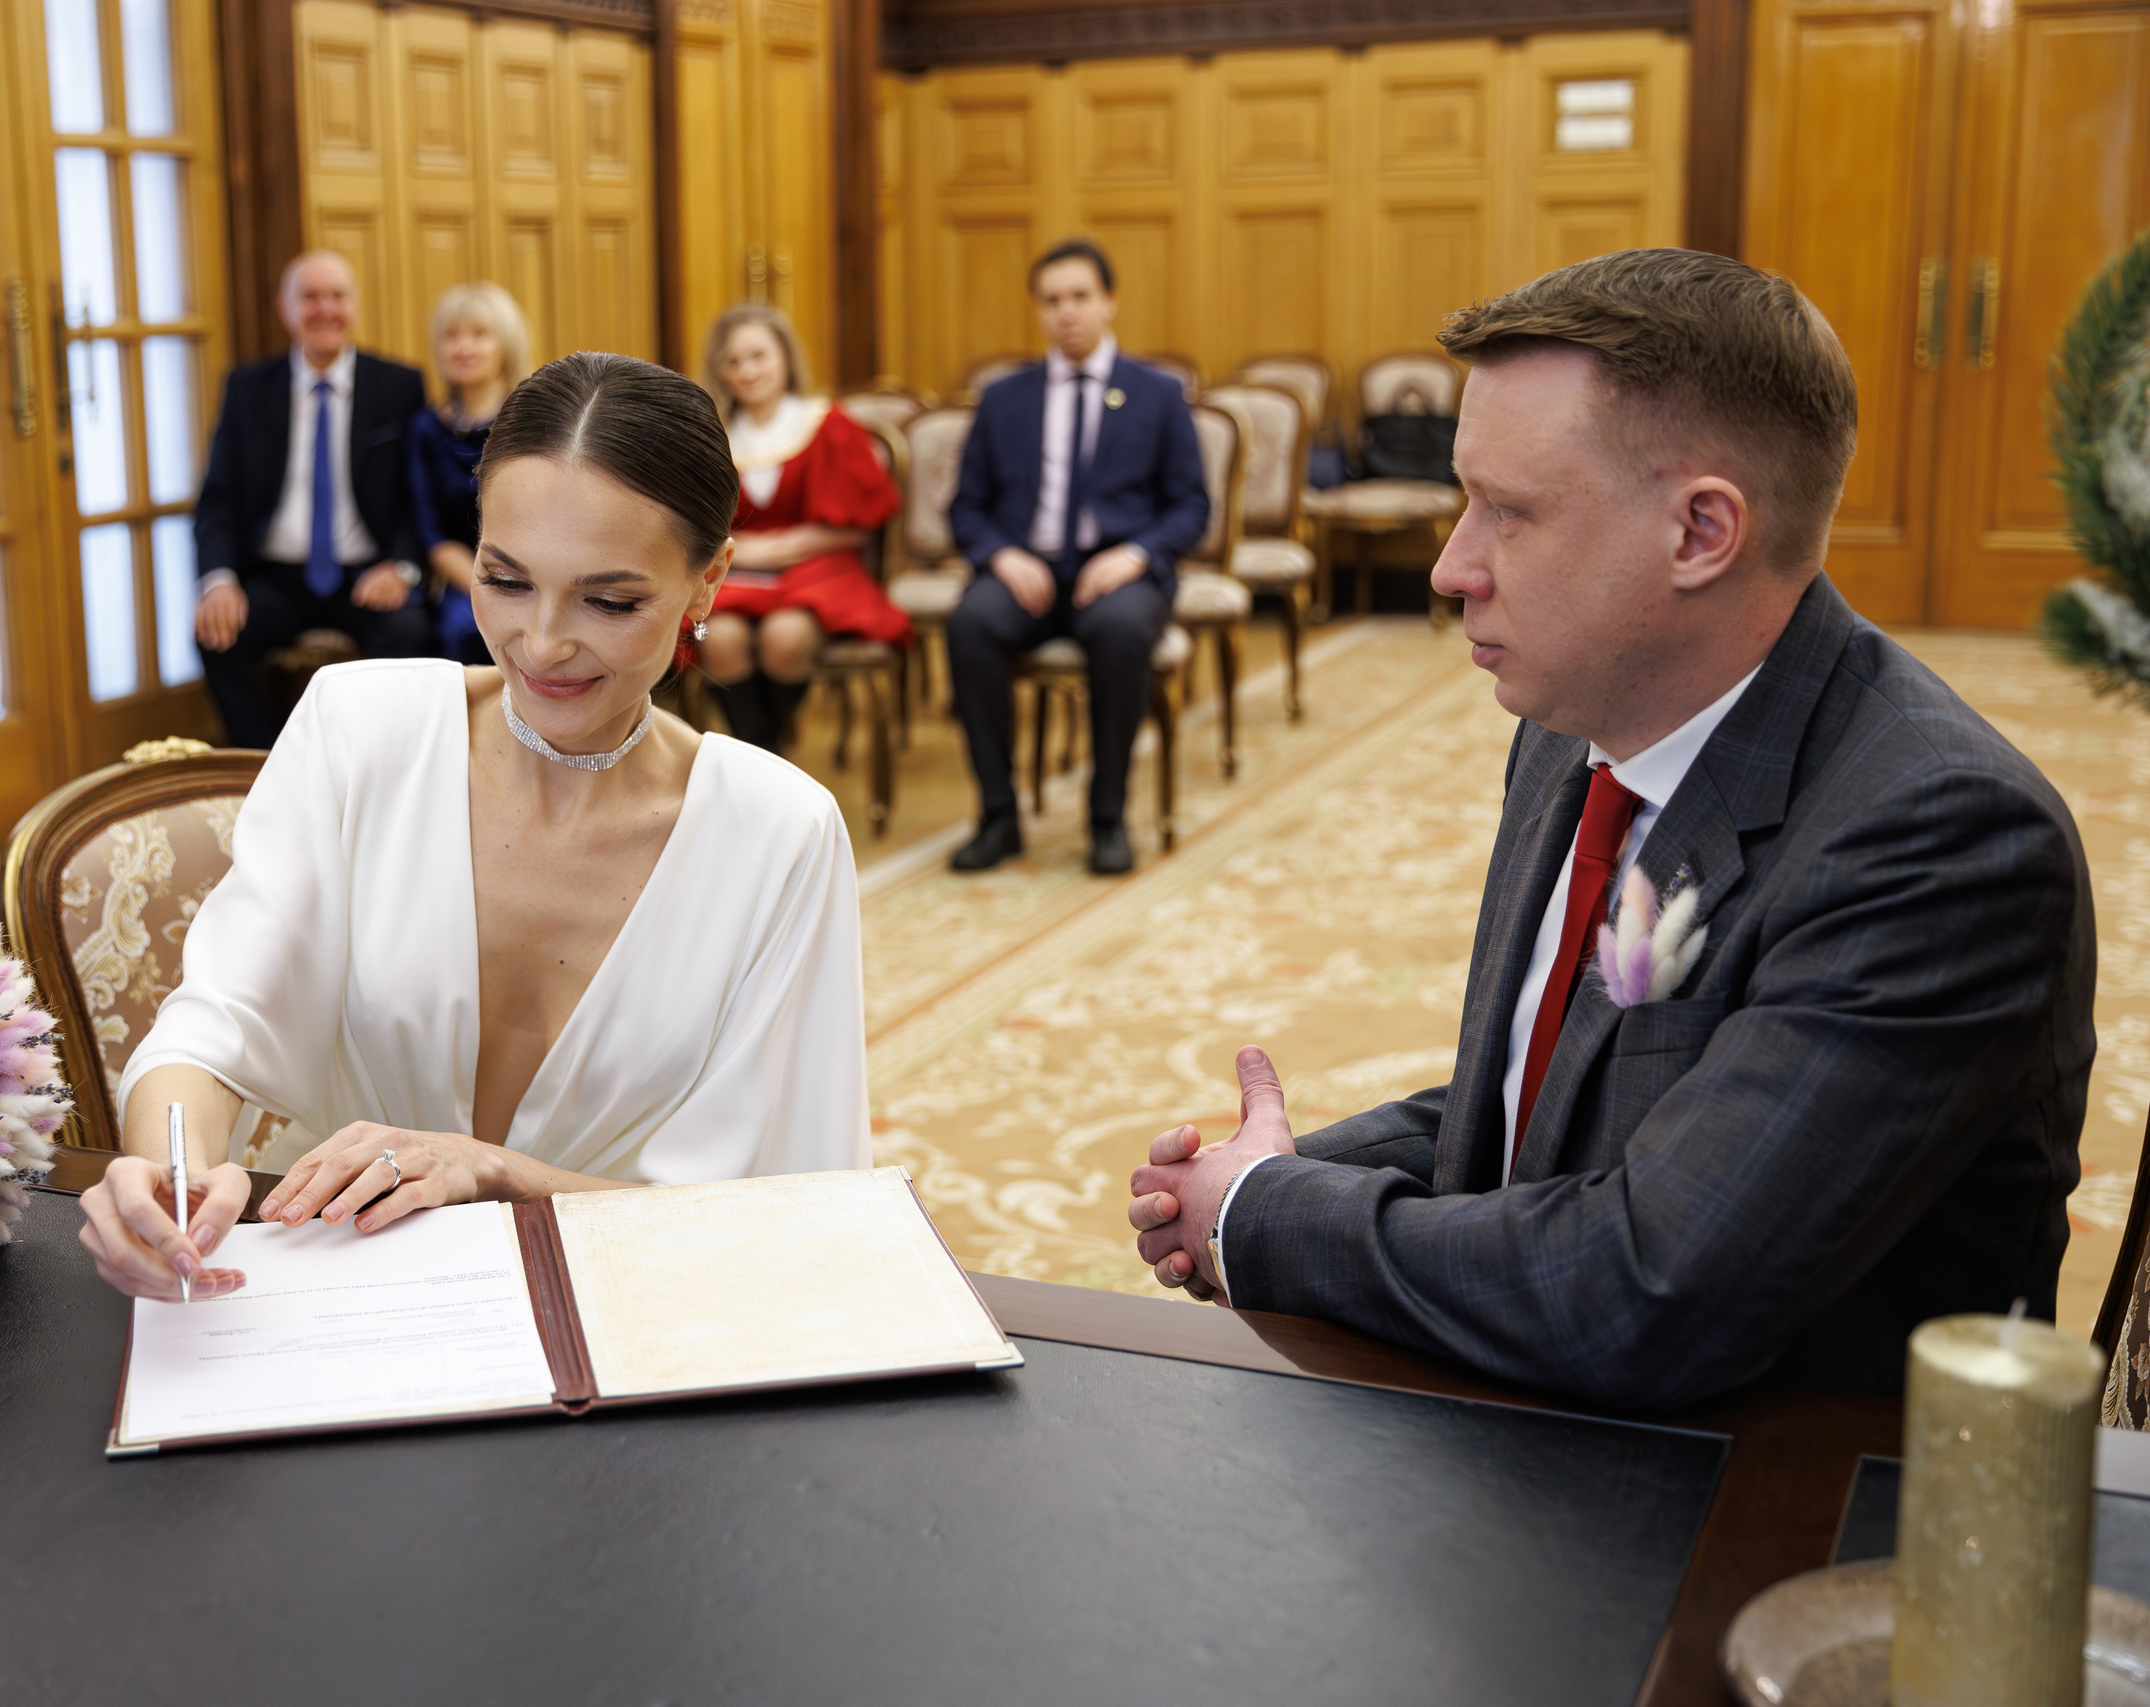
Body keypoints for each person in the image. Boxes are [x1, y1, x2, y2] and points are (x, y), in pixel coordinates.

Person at [1126, 250, 2095, 1409]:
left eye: (1509, 514)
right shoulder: (1573, 728)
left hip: (1777, 1510)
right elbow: (1561, 1100)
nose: (1450, 567)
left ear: (1699, 532)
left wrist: (1269, 1215)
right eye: (1460, 500)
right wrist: (1277, 1177)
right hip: (1549, 1436)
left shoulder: (1942, 841)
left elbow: (1652, 1288)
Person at [79, 353, 873, 1301]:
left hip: (633, 1317)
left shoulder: (779, 833)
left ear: (708, 582)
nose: (542, 642)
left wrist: (497, 1174)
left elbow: (787, 1214)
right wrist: (170, 1168)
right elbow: (217, 1025)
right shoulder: (356, 729)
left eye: (609, 600)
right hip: (336, 1301)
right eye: (505, 580)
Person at [945, 238, 1209, 877]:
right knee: (968, 624)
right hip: (1026, 570)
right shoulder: (1005, 398)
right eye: (1052, 300)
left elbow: (1191, 506)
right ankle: (999, 816)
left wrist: (1139, 553)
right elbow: (965, 508)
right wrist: (1002, 555)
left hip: (1119, 573)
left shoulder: (1156, 393)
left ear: (1109, 302)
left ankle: (1107, 817)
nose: (1067, 312)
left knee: (1119, 631)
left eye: (1080, 297)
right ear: (1038, 309)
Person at [191, 251, 433, 749]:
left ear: (355, 306)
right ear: (286, 308)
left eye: (337, 296)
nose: (325, 309)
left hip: (366, 575)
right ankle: (261, 766)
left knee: (410, 631)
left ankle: (369, 766)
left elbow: (418, 496)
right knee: (217, 633)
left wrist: (403, 568)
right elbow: (217, 499)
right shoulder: (248, 389)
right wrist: (218, 580)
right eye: (310, 297)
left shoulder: (398, 386)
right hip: (278, 575)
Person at [695, 304, 907, 753]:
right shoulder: (712, 434)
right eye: (733, 361)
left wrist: (779, 548)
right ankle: (761, 753)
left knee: (785, 639)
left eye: (759, 356)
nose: (748, 371)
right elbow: (694, 522)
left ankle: (765, 759)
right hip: (738, 571)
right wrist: (745, 552)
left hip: (817, 567)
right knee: (718, 639)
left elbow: (856, 527)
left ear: (786, 357)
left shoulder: (825, 424)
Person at [410, 281, 531, 667]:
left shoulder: (533, 417)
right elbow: (434, 535)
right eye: (451, 336)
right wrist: (486, 586)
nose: (463, 348)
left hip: (537, 571)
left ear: (505, 345)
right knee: (462, 629)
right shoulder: (426, 427)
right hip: (468, 579)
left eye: (479, 335)